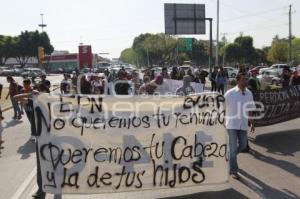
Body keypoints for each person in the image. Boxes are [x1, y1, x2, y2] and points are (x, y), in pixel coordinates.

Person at [224, 73, 255, 179]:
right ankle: (233, 170)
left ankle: (230, 157)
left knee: (242, 145)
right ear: (237, 81)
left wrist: (252, 123)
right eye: (243, 80)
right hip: (232, 124)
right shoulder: (229, 93)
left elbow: (251, 108)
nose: (246, 81)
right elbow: (222, 107)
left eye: (246, 79)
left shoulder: (249, 93)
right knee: (233, 147)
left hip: (243, 124)